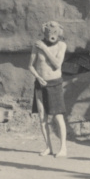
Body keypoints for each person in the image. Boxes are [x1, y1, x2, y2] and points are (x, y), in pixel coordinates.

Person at [29, 20, 68, 157]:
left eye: (54, 32)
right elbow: (31, 65)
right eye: (49, 32)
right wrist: (38, 77)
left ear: (59, 33)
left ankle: (63, 148)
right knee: (42, 116)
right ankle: (48, 147)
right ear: (44, 32)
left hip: (54, 83)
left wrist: (45, 49)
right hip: (40, 84)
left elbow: (57, 64)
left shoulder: (61, 45)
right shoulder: (37, 45)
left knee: (58, 116)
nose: (52, 35)